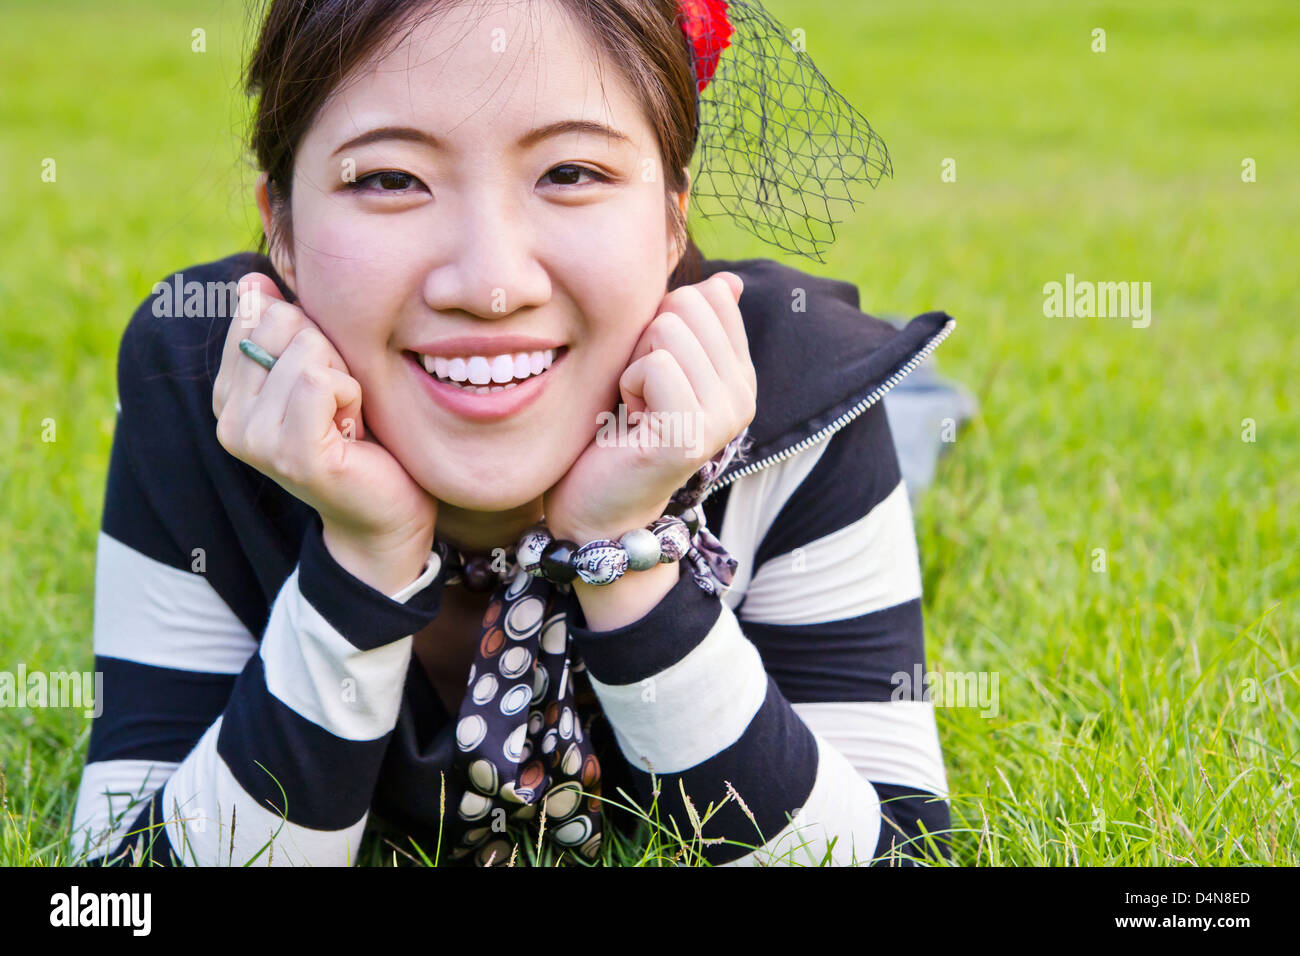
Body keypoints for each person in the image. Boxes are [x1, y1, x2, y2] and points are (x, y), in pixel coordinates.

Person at [69, 0, 958, 867]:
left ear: (673, 216)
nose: (490, 286)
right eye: (388, 179)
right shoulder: (205, 386)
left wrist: (624, 550)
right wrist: (359, 565)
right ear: (282, 231)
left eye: (571, 173)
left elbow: (898, 858)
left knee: (921, 434)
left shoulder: (798, 397)